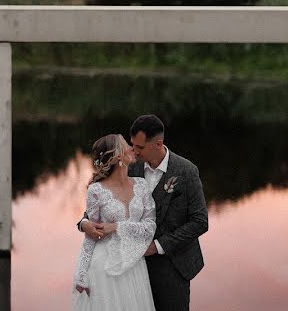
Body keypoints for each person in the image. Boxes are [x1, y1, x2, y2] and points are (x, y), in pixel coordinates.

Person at [78, 115, 208, 311]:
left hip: (172, 265)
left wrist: (157, 246)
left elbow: (200, 221)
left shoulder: (187, 171)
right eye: (132, 145)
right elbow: (102, 201)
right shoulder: (130, 166)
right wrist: (83, 223)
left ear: (158, 144)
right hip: (130, 266)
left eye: (140, 147)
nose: (134, 151)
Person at [72, 134, 157, 310]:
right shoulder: (96, 190)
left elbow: (150, 227)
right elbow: (91, 235)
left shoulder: (141, 185)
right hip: (104, 266)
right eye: (127, 145)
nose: (132, 148)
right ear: (118, 156)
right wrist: (81, 275)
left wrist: (117, 226)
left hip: (134, 264)